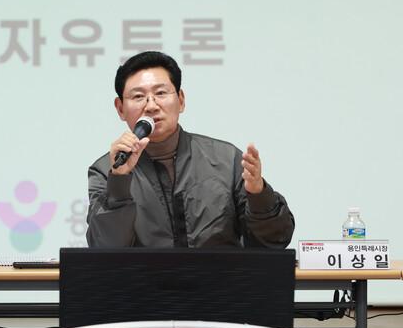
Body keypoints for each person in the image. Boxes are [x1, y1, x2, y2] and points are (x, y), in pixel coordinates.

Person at [86, 51, 294, 248]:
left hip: (219, 275)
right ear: (120, 108)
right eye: (138, 96)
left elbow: (274, 240)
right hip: (143, 276)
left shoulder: (227, 159)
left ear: (181, 100)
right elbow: (105, 247)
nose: (151, 106)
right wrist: (119, 180)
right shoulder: (106, 170)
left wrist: (259, 195)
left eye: (161, 93)